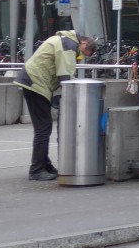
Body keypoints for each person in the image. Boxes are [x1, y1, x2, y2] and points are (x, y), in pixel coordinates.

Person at [12, 30, 96, 181]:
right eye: (84, 53)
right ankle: (36, 170)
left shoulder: (64, 40)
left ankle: (45, 164)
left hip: (33, 82)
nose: (81, 56)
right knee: (43, 128)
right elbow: (66, 75)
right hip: (35, 83)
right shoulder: (69, 45)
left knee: (44, 127)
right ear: (83, 43)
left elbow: (63, 71)